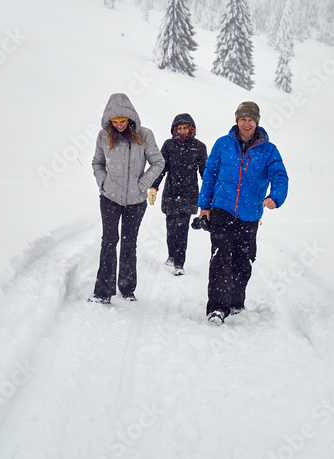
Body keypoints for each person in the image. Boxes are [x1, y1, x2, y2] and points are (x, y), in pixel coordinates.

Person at [198, 101, 288, 324]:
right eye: (242, 119)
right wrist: (204, 207)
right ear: (236, 120)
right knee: (220, 257)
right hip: (222, 210)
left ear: (257, 121)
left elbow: (280, 175)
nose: (246, 124)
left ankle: (236, 300)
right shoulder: (222, 144)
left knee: (243, 260)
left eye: (251, 119)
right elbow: (209, 175)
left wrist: (275, 197)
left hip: (250, 213)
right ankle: (217, 308)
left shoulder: (268, 150)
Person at [89, 93, 165, 304]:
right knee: (109, 241)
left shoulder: (145, 135)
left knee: (129, 243)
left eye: (123, 121)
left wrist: (142, 184)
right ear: (109, 120)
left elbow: (158, 162)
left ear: (130, 118)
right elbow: (97, 163)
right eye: (115, 121)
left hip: (136, 201)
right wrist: (103, 182)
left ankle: (128, 288)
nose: (119, 125)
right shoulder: (103, 136)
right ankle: (103, 292)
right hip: (109, 198)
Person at [149, 113, 208, 276]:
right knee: (171, 227)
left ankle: (180, 263)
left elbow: (205, 173)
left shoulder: (199, 147)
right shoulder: (168, 145)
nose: (182, 131)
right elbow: (161, 168)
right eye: (179, 128)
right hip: (171, 192)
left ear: (191, 129)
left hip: (189, 193)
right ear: (174, 130)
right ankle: (172, 255)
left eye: (185, 128)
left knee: (182, 229)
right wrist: (154, 186)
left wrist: (210, 193)